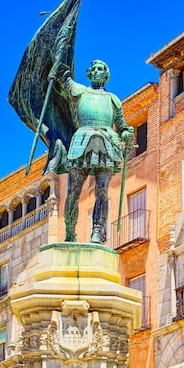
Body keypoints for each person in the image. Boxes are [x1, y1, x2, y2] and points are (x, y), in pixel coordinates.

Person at [56, 59, 133, 243]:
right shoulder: (79, 91)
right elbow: (61, 76)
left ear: (106, 75)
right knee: (73, 191)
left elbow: (121, 125)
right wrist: (60, 50)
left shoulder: (114, 100)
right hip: (81, 142)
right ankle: (70, 231)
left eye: (102, 69)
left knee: (102, 191)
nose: (98, 72)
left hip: (107, 143)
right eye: (95, 69)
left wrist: (126, 133)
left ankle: (97, 230)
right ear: (89, 73)